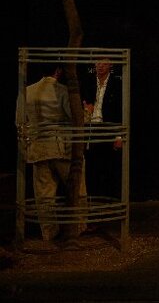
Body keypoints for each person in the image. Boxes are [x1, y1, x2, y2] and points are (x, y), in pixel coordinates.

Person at [15, 63, 86, 241]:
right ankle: (79, 226)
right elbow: (76, 118)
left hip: (38, 149)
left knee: (44, 196)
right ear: (59, 71)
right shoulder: (62, 90)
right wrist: (88, 112)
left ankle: (48, 232)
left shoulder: (27, 92)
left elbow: (19, 122)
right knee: (77, 188)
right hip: (61, 148)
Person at [81, 60, 123, 199]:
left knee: (109, 166)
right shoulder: (89, 82)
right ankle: (93, 198)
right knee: (92, 166)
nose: (100, 66)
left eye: (104, 63)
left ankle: (110, 199)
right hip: (91, 128)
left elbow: (119, 110)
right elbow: (85, 105)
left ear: (111, 65)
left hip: (109, 127)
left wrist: (119, 136)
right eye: (98, 62)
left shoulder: (117, 84)